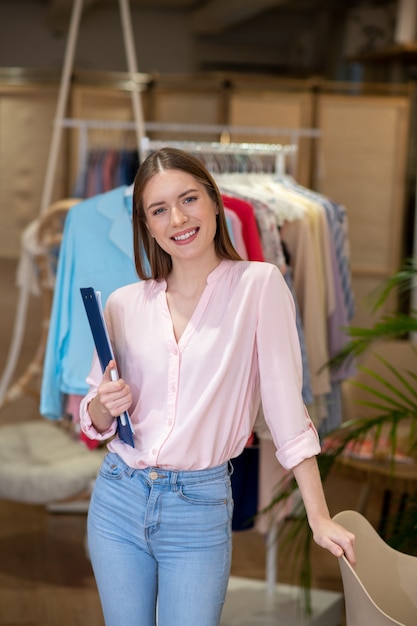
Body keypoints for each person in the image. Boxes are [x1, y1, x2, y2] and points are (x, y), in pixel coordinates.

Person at [79, 147, 355, 626]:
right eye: (158, 210)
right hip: (118, 497)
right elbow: (94, 417)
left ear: (214, 202)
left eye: (188, 199)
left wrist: (318, 515)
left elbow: (287, 411)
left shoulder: (259, 285)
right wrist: (104, 405)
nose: (178, 219)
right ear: (146, 225)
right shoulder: (123, 304)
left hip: (198, 507)